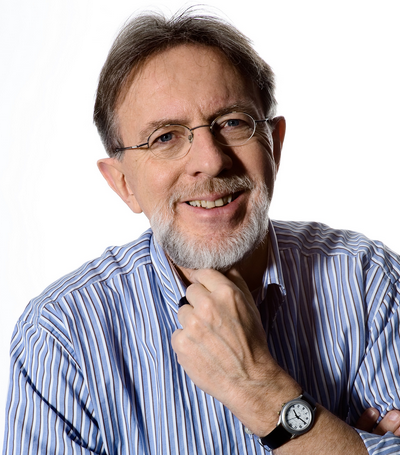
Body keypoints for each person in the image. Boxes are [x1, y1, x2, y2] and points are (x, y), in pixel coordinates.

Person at [3, 9, 400, 455]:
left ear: (274, 145)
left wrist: (261, 391)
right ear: (123, 184)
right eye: (165, 137)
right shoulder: (62, 335)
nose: (210, 161)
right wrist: (330, 440)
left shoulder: (367, 281)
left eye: (232, 122)